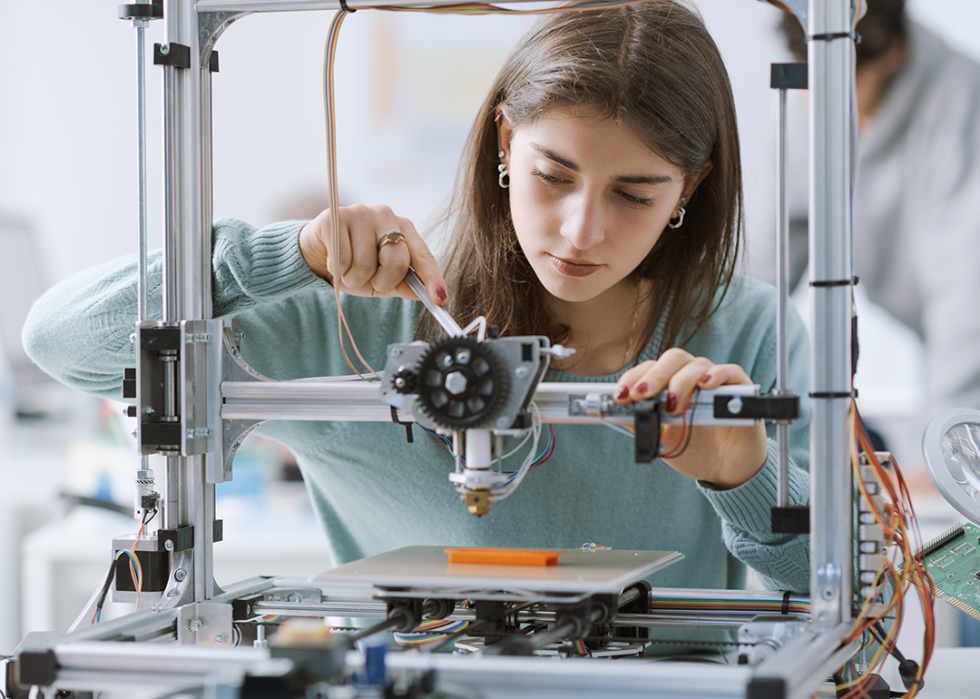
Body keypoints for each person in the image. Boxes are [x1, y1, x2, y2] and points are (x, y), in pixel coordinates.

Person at [23, 2, 810, 594]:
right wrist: (282, 254)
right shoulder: (356, 321)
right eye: (554, 175)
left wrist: (747, 477)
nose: (581, 230)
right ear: (506, 143)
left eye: (634, 193)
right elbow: (62, 340)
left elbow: (846, 590)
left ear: (690, 187)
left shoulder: (748, 332)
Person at [757, 0, 980, 419]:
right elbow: (767, 264)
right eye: (813, 83)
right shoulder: (801, 102)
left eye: (844, 84)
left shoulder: (963, 103)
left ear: (895, 52)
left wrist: (956, 444)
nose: (820, 104)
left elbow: (969, 302)